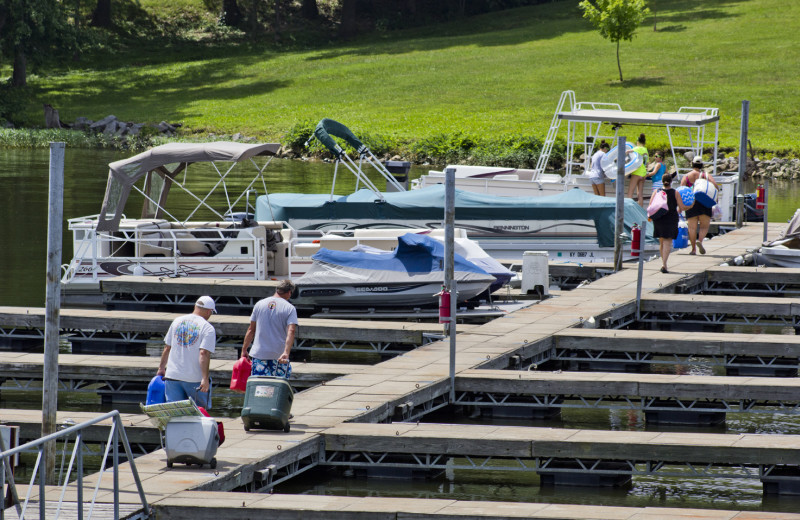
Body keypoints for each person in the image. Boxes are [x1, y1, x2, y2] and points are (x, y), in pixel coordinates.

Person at [157, 295, 217, 409]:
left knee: (174, 413)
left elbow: (167, 348)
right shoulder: (207, 328)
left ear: (195, 306)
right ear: (209, 311)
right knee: (199, 414)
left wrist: (161, 368)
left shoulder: (177, 321)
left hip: (172, 376)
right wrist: (205, 378)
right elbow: (203, 353)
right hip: (194, 379)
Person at [241, 280, 298, 379]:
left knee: (260, 387)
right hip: (279, 356)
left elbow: (251, 329)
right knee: (278, 387)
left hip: (259, 354)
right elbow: (291, 331)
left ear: (277, 290)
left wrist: (244, 349)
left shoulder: (259, 304)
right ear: (289, 292)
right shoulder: (290, 308)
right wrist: (286, 352)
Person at [652, 173, 692, 273]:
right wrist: (691, 205)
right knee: (667, 242)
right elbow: (682, 207)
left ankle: (663, 263)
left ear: (662, 181)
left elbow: (651, 205)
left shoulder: (657, 191)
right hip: (671, 219)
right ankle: (664, 264)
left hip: (659, 219)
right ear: (671, 181)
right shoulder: (675, 193)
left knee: (662, 241)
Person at [681, 155, 719, 255]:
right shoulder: (706, 175)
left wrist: (681, 206)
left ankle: (693, 249)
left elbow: (681, 190)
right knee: (704, 226)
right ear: (702, 165)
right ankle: (700, 241)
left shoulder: (686, 177)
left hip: (691, 203)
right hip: (704, 202)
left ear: (692, 164)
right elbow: (715, 186)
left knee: (692, 228)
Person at [627, 133, 649, 207]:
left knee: (630, 193)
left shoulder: (636, 148)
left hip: (636, 173)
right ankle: (641, 212)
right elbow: (647, 163)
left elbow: (627, 152)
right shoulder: (645, 150)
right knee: (640, 195)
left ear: (638, 142)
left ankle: (629, 210)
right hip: (643, 173)